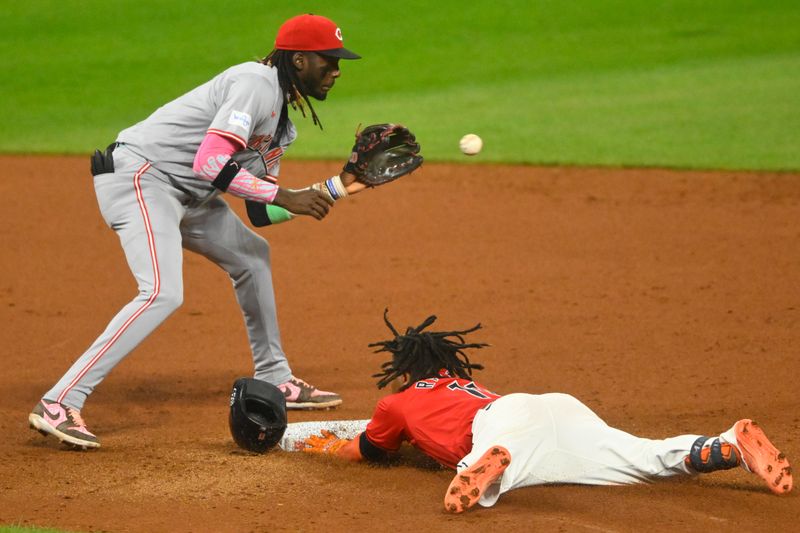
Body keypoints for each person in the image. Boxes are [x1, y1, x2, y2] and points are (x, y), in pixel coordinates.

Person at [29, 13, 373, 450]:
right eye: (330, 61)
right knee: (161, 291)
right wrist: (287, 196)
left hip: (188, 195)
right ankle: (60, 401)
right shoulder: (255, 83)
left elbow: (259, 212)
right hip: (142, 177)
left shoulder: (283, 126)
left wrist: (338, 188)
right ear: (300, 60)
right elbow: (210, 163)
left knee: (252, 255)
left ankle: (275, 377)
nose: (338, 70)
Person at [300, 312, 794, 513]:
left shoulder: (397, 402)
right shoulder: (462, 382)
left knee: (501, 464)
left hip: (500, 428)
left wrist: (315, 445)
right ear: (445, 361)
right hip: (546, 405)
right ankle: (725, 446)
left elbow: (362, 451)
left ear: (405, 368)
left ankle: (483, 469)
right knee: (641, 458)